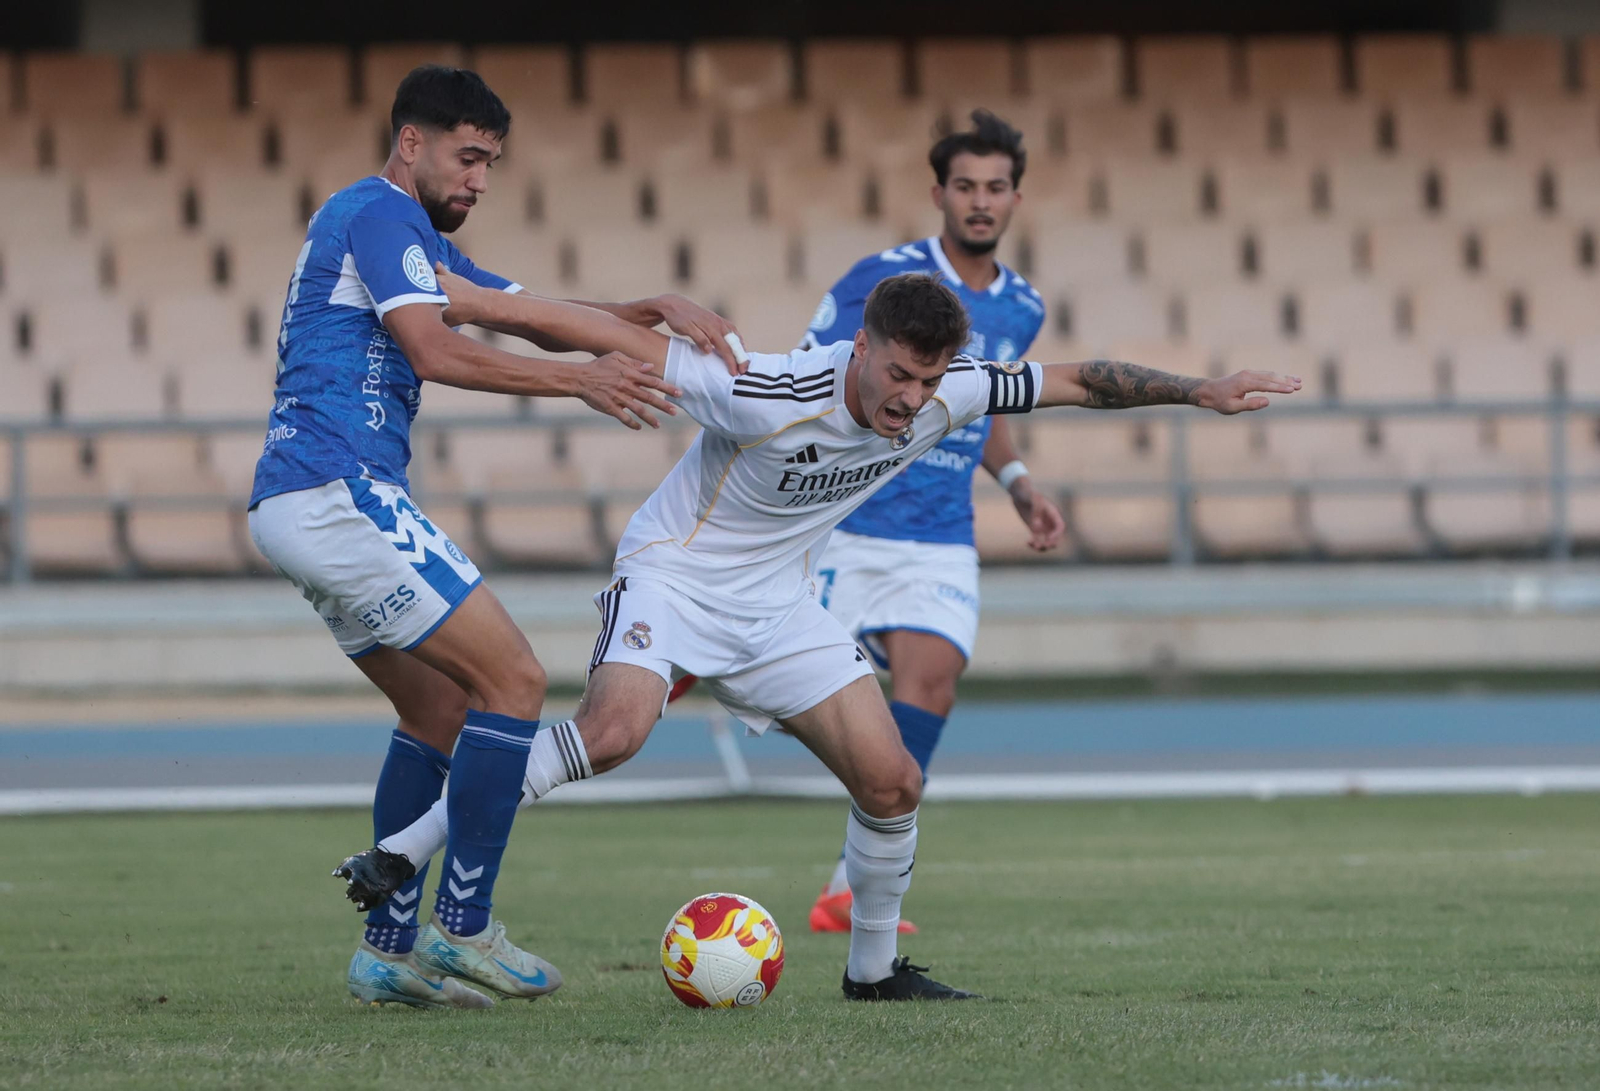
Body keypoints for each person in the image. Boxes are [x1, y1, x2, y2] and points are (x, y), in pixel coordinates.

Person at [334, 269, 1300, 1001]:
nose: (912, 400)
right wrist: (453, 293)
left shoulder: (952, 392)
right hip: (674, 573)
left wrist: (1201, 389)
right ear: (862, 345)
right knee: (616, 732)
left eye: (927, 382)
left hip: (779, 607)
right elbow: (583, 329)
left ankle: (873, 975)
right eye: (899, 375)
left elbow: (1080, 379)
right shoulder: (761, 387)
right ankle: (404, 855)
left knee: (894, 781)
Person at [247, 64, 740, 1009]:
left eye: (491, 163)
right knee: (512, 682)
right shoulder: (381, 214)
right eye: (468, 157)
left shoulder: (406, 235)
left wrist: (638, 311)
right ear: (411, 144)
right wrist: (583, 382)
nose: (479, 179)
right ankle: (464, 929)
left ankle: (387, 952)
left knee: (438, 713)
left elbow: (527, 313)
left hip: (296, 503)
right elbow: (435, 348)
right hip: (340, 489)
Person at [793, 110, 1065, 932]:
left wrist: (1015, 478)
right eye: (965, 187)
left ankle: (849, 890)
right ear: (939, 193)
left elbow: (988, 399)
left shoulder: (1022, 304)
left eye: (996, 188)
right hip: (852, 520)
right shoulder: (885, 280)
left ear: (1016, 197)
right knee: (783, 698)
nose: (981, 202)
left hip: (941, 534)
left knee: (932, 683)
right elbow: (820, 371)